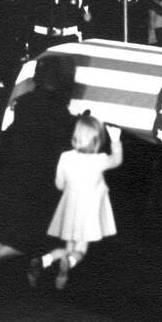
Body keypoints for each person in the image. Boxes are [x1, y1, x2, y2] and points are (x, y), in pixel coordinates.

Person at [0, 53, 78, 295]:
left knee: (8, 233)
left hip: (7, 181)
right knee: (33, 236)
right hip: (33, 186)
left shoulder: (25, 104)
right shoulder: (59, 114)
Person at [33, 112, 124, 291]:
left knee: (68, 245)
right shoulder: (100, 160)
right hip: (88, 213)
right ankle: (70, 262)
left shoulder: (66, 157)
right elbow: (116, 160)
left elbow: (59, 185)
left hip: (69, 211)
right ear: (97, 142)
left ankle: (44, 260)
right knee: (80, 249)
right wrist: (116, 141)